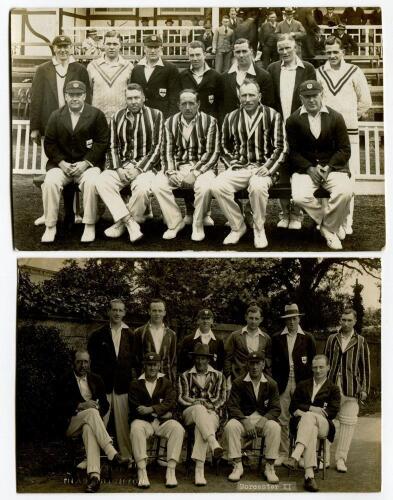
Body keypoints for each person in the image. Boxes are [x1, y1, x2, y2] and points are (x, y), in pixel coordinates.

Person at [212, 79, 285, 248]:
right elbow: (223, 146)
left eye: (251, 95)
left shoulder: (273, 115)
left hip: (264, 168)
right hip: (241, 167)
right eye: (244, 95)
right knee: (217, 185)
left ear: (259, 96)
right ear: (239, 97)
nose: (247, 99)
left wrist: (268, 168)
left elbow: (281, 147)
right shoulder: (231, 117)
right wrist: (234, 163)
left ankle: (259, 229)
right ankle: (238, 226)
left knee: (257, 187)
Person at [285, 80, 353, 250]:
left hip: (333, 168)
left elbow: (344, 149)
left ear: (322, 95)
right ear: (301, 98)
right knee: (300, 197)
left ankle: (328, 229)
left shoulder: (336, 117)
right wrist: (309, 168)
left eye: (314, 96)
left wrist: (329, 166)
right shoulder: (293, 120)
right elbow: (292, 152)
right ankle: (329, 225)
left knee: (345, 192)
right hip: (305, 170)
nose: (311, 100)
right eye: (307, 97)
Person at [41, 80, 108, 243]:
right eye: (71, 95)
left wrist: (85, 163)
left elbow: (102, 142)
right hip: (61, 165)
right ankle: (50, 226)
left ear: (84, 95)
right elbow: (49, 143)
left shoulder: (96, 114)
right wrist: (62, 162)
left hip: (87, 166)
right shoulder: (56, 115)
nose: (75, 98)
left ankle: (89, 225)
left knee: (92, 182)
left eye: (78, 95)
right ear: (65, 96)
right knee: (50, 181)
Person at [317, 36, 371, 236]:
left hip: (349, 136)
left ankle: (346, 223)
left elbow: (365, 102)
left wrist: (348, 118)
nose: (332, 56)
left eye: (335, 52)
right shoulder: (320, 72)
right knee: (325, 180)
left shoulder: (355, 72)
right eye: (329, 52)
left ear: (343, 53)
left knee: (348, 180)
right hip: (324, 136)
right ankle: (328, 223)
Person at [95, 83, 163, 243]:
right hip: (122, 166)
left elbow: (158, 147)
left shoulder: (156, 115)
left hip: (146, 168)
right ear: (125, 99)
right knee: (101, 180)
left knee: (142, 189)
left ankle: (121, 223)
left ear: (143, 98)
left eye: (136, 98)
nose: (133, 101)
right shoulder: (117, 116)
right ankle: (130, 223)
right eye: (129, 98)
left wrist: (138, 169)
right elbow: (113, 145)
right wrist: (118, 168)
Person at [151, 89, 219, 242]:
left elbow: (212, 153)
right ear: (178, 105)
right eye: (184, 104)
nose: (188, 107)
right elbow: (166, 151)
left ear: (198, 104)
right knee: (157, 184)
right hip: (178, 167)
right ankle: (175, 223)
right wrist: (170, 172)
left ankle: (197, 223)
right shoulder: (169, 122)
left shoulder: (210, 121)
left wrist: (194, 173)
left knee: (205, 187)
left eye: (191, 103)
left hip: (203, 168)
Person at [59, 349, 127, 493]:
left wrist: (98, 406)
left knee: (90, 428)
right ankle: (111, 451)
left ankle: (94, 477)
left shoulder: (96, 379)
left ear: (90, 363)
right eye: (79, 362)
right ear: (73, 363)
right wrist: (81, 405)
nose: (83, 365)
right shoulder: (64, 379)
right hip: (71, 423)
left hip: (90, 422)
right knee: (91, 412)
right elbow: (58, 405)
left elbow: (105, 404)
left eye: (85, 362)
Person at [267, 34, 316, 230]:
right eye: (281, 49)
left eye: (288, 48)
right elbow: (271, 100)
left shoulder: (308, 69)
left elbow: (312, 98)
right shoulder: (272, 69)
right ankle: (284, 213)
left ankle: (297, 214)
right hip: (279, 127)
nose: (285, 52)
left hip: (301, 127)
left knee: (299, 168)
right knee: (283, 169)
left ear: (295, 48)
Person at [29, 34, 91, 189]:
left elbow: (87, 98)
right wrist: (35, 128)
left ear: (71, 48)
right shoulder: (43, 69)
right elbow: (36, 99)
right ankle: (48, 211)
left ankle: (75, 212)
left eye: (66, 46)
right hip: (49, 125)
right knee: (50, 170)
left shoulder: (80, 69)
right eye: (59, 47)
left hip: (75, 125)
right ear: (54, 48)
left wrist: (86, 123)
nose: (63, 50)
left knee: (74, 167)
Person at [222, 352, 281, 484]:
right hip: (244, 420)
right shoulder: (239, 382)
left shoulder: (271, 384)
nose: (254, 367)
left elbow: (276, 408)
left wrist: (264, 419)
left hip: (263, 420)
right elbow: (232, 406)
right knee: (231, 426)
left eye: (258, 363)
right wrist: (244, 420)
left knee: (275, 427)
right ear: (247, 364)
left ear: (263, 364)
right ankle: (237, 465)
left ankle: (270, 467)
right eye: (252, 363)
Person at [128, 352, 185, 488]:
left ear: (159, 365)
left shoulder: (166, 383)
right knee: (135, 428)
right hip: (144, 422)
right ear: (144, 366)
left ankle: (171, 470)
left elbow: (170, 402)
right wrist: (159, 413)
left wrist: (151, 409)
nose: (152, 368)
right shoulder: (136, 384)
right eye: (149, 365)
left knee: (177, 428)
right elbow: (135, 407)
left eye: (155, 365)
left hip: (161, 423)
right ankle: (142, 470)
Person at [324, 308, 370, 473]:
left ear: (355, 321)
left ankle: (341, 459)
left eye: (349, 320)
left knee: (348, 424)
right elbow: (325, 362)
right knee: (327, 421)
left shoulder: (361, 341)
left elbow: (365, 367)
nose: (346, 323)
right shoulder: (332, 339)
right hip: (331, 386)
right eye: (343, 320)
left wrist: (364, 389)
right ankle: (324, 457)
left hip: (351, 388)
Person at [87, 299, 134, 460]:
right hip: (103, 387)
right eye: (114, 310)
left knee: (123, 426)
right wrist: (94, 387)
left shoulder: (131, 335)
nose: (117, 313)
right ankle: (92, 459)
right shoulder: (97, 335)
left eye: (120, 310)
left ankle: (127, 457)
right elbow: (91, 365)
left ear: (125, 313)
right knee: (99, 423)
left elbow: (134, 362)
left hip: (123, 386)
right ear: (108, 312)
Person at [271, 303, 316, 466]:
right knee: (282, 419)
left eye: (294, 319)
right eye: (288, 319)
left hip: (301, 384)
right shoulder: (277, 338)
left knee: (301, 418)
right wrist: (275, 381)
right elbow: (272, 364)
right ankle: (282, 453)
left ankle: (301, 455)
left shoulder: (308, 338)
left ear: (299, 319)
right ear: (285, 320)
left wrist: (309, 386)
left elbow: (312, 364)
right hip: (282, 383)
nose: (291, 322)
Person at [287, 355, 341, 492]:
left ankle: (296, 454)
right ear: (311, 368)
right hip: (304, 426)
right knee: (311, 427)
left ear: (328, 367)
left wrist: (305, 410)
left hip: (325, 425)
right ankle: (309, 476)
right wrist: (312, 408)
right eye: (315, 367)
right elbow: (292, 407)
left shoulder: (333, 388)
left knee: (310, 418)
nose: (318, 370)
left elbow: (332, 411)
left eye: (321, 367)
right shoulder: (302, 384)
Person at [178, 344, 226, 486]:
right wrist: (196, 402)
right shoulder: (185, 375)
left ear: (208, 360)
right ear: (194, 359)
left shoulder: (218, 375)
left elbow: (222, 398)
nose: (200, 362)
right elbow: (181, 397)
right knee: (199, 410)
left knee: (202, 426)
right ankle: (213, 443)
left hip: (212, 413)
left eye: (203, 359)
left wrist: (211, 406)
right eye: (197, 358)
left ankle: (199, 470)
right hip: (190, 412)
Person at [217, 38, 275, 125]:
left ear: (251, 52)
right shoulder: (224, 77)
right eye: (238, 52)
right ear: (234, 53)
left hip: (256, 127)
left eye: (244, 51)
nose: (241, 55)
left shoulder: (264, 76)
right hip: (231, 127)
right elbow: (220, 106)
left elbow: (268, 105)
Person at [87, 31, 133, 122]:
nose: (111, 47)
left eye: (115, 44)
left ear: (120, 45)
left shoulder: (128, 66)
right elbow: (89, 92)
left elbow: (130, 92)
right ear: (103, 45)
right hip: (97, 117)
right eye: (108, 44)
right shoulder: (92, 66)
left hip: (121, 118)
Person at [130, 35, 180, 118]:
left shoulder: (170, 68)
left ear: (161, 49)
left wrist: (170, 119)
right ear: (144, 49)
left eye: (156, 47)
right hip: (141, 117)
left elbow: (174, 97)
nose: (153, 51)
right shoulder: (136, 69)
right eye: (149, 47)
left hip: (162, 117)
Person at [224, 304, 272, 385]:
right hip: (238, 378)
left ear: (261, 319)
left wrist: (267, 376)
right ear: (246, 317)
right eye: (251, 318)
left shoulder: (266, 338)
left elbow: (269, 359)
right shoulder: (235, 336)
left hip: (258, 380)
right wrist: (228, 378)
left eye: (256, 319)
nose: (253, 321)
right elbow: (227, 358)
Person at [133, 298, 177, 383]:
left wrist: (172, 379)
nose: (157, 314)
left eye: (160, 311)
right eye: (154, 310)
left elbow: (173, 360)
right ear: (149, 311)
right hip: (145, 378)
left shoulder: (171, 334)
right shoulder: (139, 332)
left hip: (165, 378)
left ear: (164, 313)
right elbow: (136, 358)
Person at [179, 41, 221, 118]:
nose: (195, 58)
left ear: (204, 55)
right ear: (188, 56)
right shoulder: (182, 76)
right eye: (192, 55)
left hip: (209, 122)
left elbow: (220, 104)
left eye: (198, 55)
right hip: (188, 121)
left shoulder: (216, 76)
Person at [178, 308, 225, 373]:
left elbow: (220, 363)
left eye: (208, 319)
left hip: (211, 379)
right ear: (198, 321)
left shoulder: (218, 341)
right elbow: (182, 362)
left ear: (212, 321)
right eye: (203, 319)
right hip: (191, 378)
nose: (205, 321)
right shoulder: (188, 340)